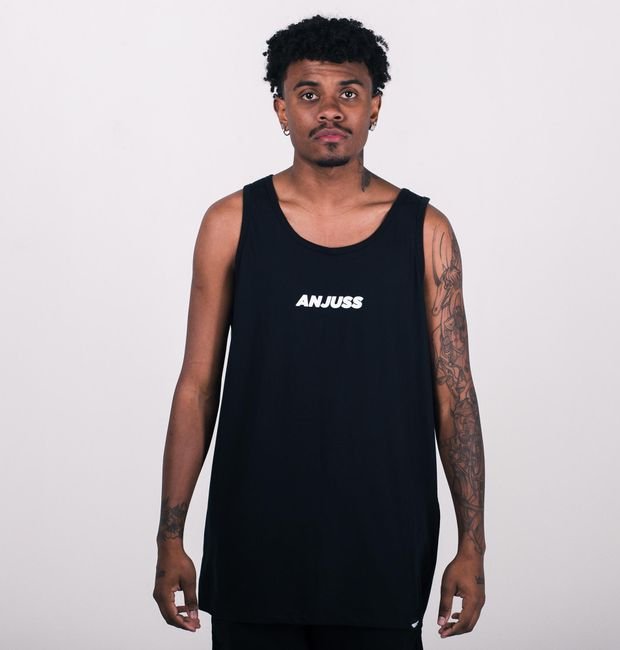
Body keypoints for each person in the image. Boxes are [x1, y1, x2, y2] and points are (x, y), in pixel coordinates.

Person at [152, 14, 486, 649]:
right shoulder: (231, 223)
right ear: (282, 108)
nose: (330, 109)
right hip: (254, 549)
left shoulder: (426, 232)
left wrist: (473, 544)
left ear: (374, 107)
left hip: (383, 554)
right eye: (309, 93)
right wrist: (171, 537)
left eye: (348, 92)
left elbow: (455, 396)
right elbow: (196, 388)